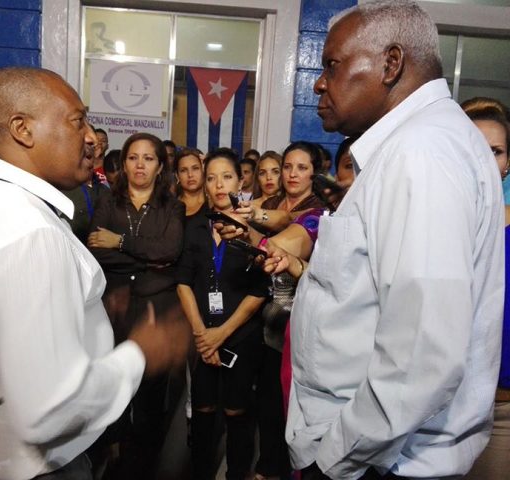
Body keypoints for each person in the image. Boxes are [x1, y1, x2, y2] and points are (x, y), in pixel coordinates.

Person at [0, 66, 188, 480]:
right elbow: (51, 410)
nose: (91, 138)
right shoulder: (25, 232)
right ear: (22, 129)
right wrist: (139, 354)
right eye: (77, 120)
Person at [281, 2, 504, 479]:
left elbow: (419, 357)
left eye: (332, 65)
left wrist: (335, 462)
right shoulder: (417, 145)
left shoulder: (421, 154)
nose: (319, 82)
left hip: (383, 464)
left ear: (391, 63)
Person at [87, 132, 186, 479]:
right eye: (133, 157)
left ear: (160, 167)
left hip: (154, 309)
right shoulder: (107, 201)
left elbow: (169, 252)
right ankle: (113, 459)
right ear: (123, 163)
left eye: (148, 158)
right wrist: (144, 260)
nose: (140, 165)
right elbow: (97, 252)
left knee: (149, 392)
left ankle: (145, 465)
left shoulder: (172, 206)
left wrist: (122, 243)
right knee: (113, 383)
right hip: (113, 306)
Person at [176, 148, 269, 480]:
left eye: (226, 176)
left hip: (241, 336)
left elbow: (260, 291)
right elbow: (183, 281)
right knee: (202, 410)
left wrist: (222, 333)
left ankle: (237, 473)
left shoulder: (254, 230)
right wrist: (203, 334)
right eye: (211, 177)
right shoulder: (196, 226)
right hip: (202, 336)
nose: (217, 185)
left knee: (236, 411)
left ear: (240, 180)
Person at [461, 96, 510, 480]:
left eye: (495, 151)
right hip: (431, 402)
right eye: (475, 147)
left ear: (508, 164)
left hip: (501, 406)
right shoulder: (430, 222)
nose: (485, 159)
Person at [175, 147, 206, 219]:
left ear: (204, 170)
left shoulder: (215, 206)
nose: (190, 175)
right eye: (183, 170)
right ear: (177, 176)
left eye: (195, 168)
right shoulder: (168, 207)